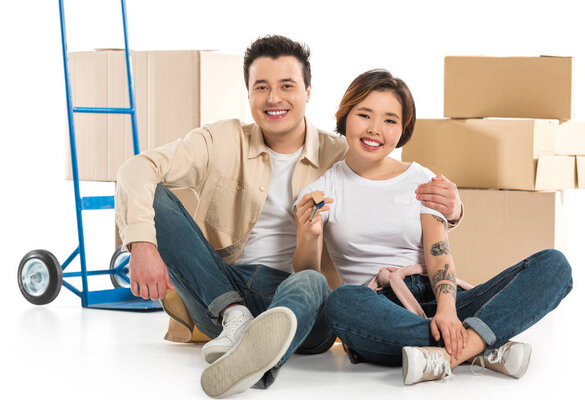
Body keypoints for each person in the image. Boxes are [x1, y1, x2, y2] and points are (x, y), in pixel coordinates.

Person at [115, 36, 462, 397]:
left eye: (286, 86)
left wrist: (453, 208)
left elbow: (398, 187)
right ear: (248, 93)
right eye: (261, 87)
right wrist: (141, 245)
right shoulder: (220, 140)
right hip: (218, 290)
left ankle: (253, 354)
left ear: (308, 91)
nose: (273, 99)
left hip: (300, 304)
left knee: (311, 282)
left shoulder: (346, 153)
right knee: (155, 195)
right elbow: (135, 169)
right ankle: (237, 319)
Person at [293, 69, 572, 385]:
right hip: (378, 309)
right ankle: (478, 346)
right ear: (344, 116)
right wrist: (310, 235)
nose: (374, 129)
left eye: (390, 120)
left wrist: (448, 310)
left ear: (403, 129)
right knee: (340, 302)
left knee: (553, 266)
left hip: (440, 297)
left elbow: (438, 253)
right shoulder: (322, 190)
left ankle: (446, 354)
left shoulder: (423, 181)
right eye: (364, 115)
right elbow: (306, 272)